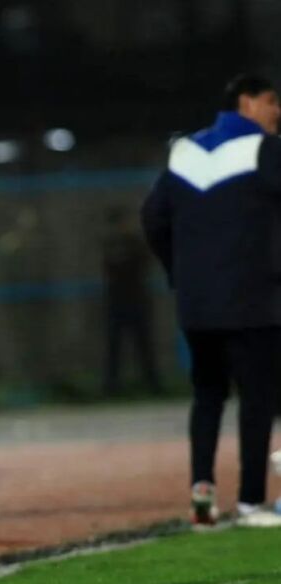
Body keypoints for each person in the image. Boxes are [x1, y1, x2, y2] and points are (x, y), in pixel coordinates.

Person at [142, 73, 281, 528]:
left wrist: (179, 271)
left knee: (208, 396)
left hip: (197, 303)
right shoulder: (264, 150)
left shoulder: (184, 151)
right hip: (254, 299)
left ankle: (202, 498)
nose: (277, 111)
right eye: (270, 101)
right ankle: (251, 502)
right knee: (257, 398)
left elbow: (153, 219)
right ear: (246, 103)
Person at [101, 206, 161, 395]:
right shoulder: (109, 244)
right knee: (115, 345)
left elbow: (143, 264)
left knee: (144, 343)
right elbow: (109, 269)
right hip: (117, 300)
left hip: (136, 299)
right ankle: (112, 385)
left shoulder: (135, 242)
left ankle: (152, 383)